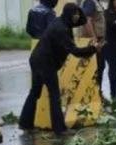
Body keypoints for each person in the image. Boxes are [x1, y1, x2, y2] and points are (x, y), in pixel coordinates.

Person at [19, 3, 99, 135]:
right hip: (45, 62)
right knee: (54, 95)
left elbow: (82, 20)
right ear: (68, 14)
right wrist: (93, 49)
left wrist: (79, 13)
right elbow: (75, 51)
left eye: (77, 13)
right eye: (74, 14)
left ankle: (25, 123)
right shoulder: (61, 29)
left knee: (35, 92)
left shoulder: (62, 22)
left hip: (37, 59)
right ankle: (59, 129)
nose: (77, 16)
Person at [80, 0, 108, 92]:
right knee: (96, 67)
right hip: (94, 41)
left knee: (100, 66)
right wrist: (94, 39)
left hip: (99, 40)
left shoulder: (97, 2)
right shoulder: (90, 2)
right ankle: (94, 93)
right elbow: (87, 20)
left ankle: (97, 91)